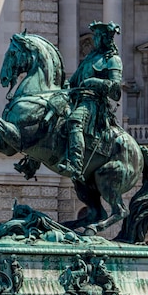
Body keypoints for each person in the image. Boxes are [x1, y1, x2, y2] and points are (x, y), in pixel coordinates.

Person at [58, 21, 122, 183]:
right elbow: (73, 81)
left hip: (94, 103)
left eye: (99, 36)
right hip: (77, 98)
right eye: (95, 36)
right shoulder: (89, 58)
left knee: (74, 121)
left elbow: (116, 91)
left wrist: (94, 82)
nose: (95, 40)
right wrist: (65, 86)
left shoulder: (113, 60)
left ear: (106, 39)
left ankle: (76, 164)